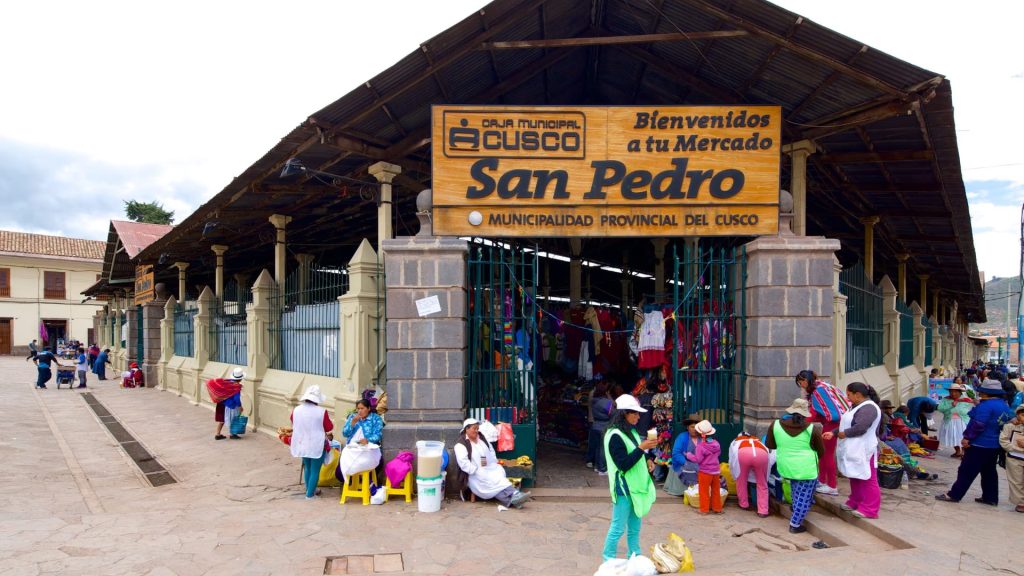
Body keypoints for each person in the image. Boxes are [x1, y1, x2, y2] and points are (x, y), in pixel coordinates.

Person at [936, 379, 1015, 505]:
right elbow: (1010, 419)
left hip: (979, 444)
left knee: (966, 470)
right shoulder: (1004, 405)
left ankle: (954, 495)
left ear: (986, 393)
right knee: (989, 472)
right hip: (994, 445)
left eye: (982, 392)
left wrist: (967, 437)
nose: (980, 394)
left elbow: (978, 424)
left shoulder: (985, 406)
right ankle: (990, 498)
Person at [602, 394, 658, 561]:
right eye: (634, 413)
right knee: (618, 527)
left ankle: (635, 556)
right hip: (623, 488)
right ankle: (608, 559)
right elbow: (623, 464)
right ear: (623, 414)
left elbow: (634, 452)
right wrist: (641, 448)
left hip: (636, 487)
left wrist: (647, 459)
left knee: (635, 527)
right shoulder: (614, 436)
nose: (638, 417)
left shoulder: (631, 431)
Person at [766, 398, 824, 534]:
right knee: (804, 495)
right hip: (806, 468)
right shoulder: (812, 429)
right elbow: (821, 450)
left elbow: (770, 445)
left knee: (795, 489)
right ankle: (795, 524)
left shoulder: (775, 425)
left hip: (786, 466)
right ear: (805, 414)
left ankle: (796, 507)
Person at [827, 382, 882, 519]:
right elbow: (845, 424)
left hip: (865, 449)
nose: (847, 397)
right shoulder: (855, 406)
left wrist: (843, 434)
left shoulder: (869, 408)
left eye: (849, 394)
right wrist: (834, 433)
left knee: (868, 478)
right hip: (853, 448)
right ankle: (855, 501)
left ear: (857, 395)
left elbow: (860, 427)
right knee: (855, 476)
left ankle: (870, 508)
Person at [453, 418, 529, 508]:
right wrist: (476, 471)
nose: (476, 431)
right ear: (467, 429)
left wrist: (493, 463)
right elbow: (463, 463)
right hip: (474, 474)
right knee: (489, 483)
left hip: (489, 468)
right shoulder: (460, 444)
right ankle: (515, 494)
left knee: (497, 475)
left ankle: (513, 500)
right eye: (474, 428)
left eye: (477, 428)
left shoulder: (481, 437)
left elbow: (491, 450)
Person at [795, 370, 848, 496]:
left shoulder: (818, 391)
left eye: (800, 381)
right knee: (823, 454)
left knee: (827, 454)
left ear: (806, 381)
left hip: (832, 425)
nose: (800, 384)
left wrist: (799, 424)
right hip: (834, 423)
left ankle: (832, 486)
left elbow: (814, 413)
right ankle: (822, 481)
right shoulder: (823, 387)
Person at [290, 385, 334, 499]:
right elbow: (329, 427)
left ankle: (310, 489)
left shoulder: (296, 410)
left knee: (308, 468)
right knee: (315, 470)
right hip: (316, 443)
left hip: (302, 442)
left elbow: (292, 420)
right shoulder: (321, 411)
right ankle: (310, 495)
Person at [338, 399, 384, 482]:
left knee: (369, 465)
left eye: (362, 408)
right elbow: (345, 433)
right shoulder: (352, 417)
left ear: (368, 408)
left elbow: (378, 435)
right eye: (358, 409)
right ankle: (352, 482)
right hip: (352, 448)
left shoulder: (375, 419)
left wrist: (368, 440)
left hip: (368, 449)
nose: (359, 411)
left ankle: (364, 482)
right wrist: (352, 423)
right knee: (340, 472)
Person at [729, 431, 771, 517]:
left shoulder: (736, 441)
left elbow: (732, 459)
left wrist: (734, 473)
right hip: (761, 454)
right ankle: (763, 510)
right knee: (762, 483)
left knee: (741, 480)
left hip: (743, 454)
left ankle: (743, 504)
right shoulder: (757, 441)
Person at [685, 420, 723, 515]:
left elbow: (698, 459)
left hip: (705, 472)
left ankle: (704, 510)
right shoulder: (716, 444)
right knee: (716, 490)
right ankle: (717, 508)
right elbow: (719, 454)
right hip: (716, 471)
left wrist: (688, 455)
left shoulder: (701, 446)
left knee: (704, 491)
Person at [664, 413, 701, 497]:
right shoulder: (682, 437)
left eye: (696, 427)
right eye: (692, 427)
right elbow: (676, 453)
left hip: (698, 464)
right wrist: (686, 463)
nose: (694, 429)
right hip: (683, 464)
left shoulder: (702, 438)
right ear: (687, 428)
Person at [999, 404, 1024, 513]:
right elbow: (1004, 441)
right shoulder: (1010, 426)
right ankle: (1020, 502)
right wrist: (1015, 448)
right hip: (1014, 458)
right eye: (1023, 415)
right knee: (1016, 480)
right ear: (1017, 415)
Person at [938, 383, 973, 458]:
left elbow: (968, 410)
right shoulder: (946, 399)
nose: (953, 393)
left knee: (963, 437)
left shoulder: (965, 400)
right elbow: (940, 408)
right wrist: (951, 405)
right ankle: (957, 451)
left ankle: (964, 453)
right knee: (953, 437)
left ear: (960, 392)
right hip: (949, 421)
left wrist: (957, 405)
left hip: (962, 422)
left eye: (955, 391)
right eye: (951, 392)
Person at [587, 382, 614, 475]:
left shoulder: (593, 401)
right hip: (604, 426)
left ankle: (597, 467)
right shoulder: (607, 402)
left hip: (595, 425)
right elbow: (613, 412)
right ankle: (602, 469)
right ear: (605, 392)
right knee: (603, 448)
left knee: (598, 447)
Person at [212, 368, 245, 440]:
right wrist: (240, 406)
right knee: (233, 418)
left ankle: (218, 434)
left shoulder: (227, 382)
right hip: (230, 405)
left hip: (222, 403)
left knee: (222, 419)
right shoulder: (236, 386)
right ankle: (232, 434)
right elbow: (237, 398)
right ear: (240, 379)